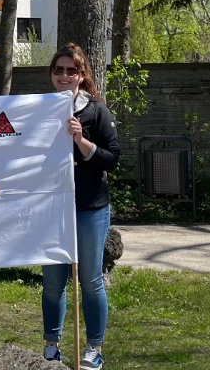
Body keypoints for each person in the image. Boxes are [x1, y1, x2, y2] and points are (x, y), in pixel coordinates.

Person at [41, 43, 120, 370]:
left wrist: (81, 141)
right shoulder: (38, 110)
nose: (64, 75)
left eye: (71, 70)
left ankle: (94, 348)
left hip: (90, 208)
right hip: (51, 209)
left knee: (90, 280)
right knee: (52, 282)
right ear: (51, 74)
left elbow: (112, 159)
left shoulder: (97, 111)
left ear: (81, 74)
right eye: (58, 69)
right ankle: (51, 346)